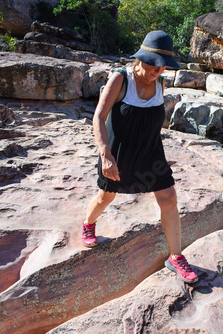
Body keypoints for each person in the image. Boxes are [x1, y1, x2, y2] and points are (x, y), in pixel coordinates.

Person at [81, 30, 198, 284]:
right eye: (154, 65)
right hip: (119, 150)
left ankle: (175, 257)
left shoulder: (160, 83)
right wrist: (105, 155)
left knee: (168, 196)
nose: (158, 71)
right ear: (141, 59)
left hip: (150, 151)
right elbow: (99, 117)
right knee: (106, 196)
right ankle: (88, 224)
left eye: (163, 67)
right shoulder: (120, 79)